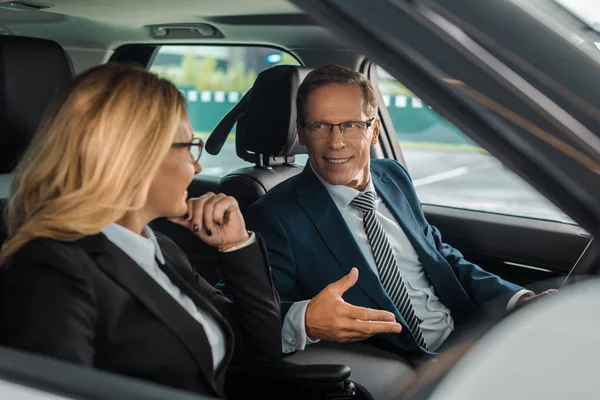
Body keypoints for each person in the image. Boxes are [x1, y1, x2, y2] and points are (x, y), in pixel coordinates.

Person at [0, 63, 281, 398]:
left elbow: (261, 355)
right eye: (189, 147)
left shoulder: (159, 249)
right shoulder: (52, 268)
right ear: (137, 158)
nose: (197, 166)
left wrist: (236, 245)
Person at [246, 65, 556, 360]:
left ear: (375, 129)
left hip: (466, 338)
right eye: (320, 126)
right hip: (399, 362)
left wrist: (518, 300)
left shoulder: (392, 176)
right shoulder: (274, 216)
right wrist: (305, 321)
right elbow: (253, 316)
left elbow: (439, 255)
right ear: (302, 132)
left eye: (351, 125)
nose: (336, 142)